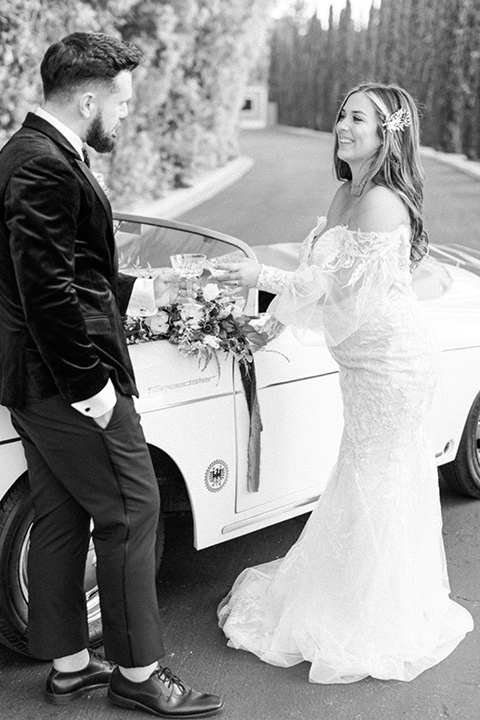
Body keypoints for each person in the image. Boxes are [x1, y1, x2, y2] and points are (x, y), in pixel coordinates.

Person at [215, 83, 473, 683]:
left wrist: (262, 278)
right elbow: (315, 278)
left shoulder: (382, 202)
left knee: (374, 475)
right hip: (361, 363)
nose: (342, 125)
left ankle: (371, 611)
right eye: (341, 115)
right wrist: (266, 327)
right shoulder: (344, 192)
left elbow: (344, 294)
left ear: (388, 134)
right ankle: (355, 588)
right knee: (363, 472)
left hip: (393, 365)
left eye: (357, 117)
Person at [0, 32, 223, 716]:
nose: (127, 115)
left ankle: (70, 667)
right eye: (123, 102)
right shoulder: (44, 165)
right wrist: (91, 388)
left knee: (64, 516)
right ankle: (137, 672)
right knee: (133, 510)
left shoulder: (30, 153)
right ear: (90, 97)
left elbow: (68, 269)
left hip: (34, 384)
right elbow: (47, 293)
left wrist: (143, 292)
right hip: (70, 381)